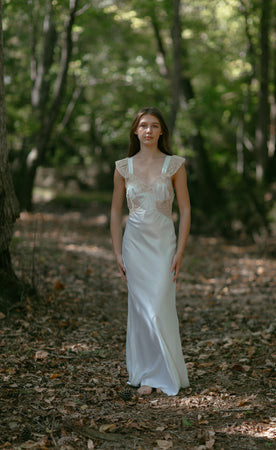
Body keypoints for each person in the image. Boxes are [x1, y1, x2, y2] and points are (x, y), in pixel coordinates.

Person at [110, 106, 190, 396]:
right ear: (135, 130)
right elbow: (115, 212)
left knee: (159, 307)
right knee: (142, 311)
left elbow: (185, 209)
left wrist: (180, 251)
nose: (148, 130)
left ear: (162, 132)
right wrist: (117, 253)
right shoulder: (123, 167)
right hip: (134, 245)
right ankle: (146, 374)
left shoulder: (175, 165)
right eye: (143, 125)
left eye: (155, 126)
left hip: (164, 244)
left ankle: (167, 371)